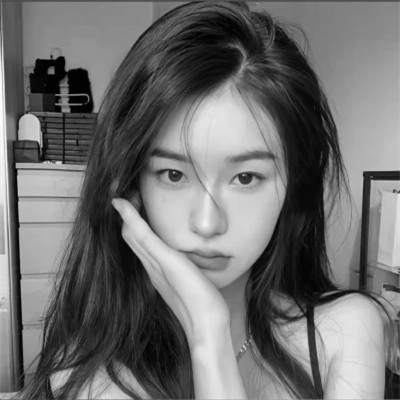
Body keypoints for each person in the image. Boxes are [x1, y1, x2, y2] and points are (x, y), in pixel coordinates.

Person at [17, 1, 395, 399]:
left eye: (246, 178)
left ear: (293, 184)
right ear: (131, 185)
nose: (207, 223)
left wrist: (210, 343)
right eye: (173, 175)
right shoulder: (92, 381)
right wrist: (206, 330)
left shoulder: (346, 332)